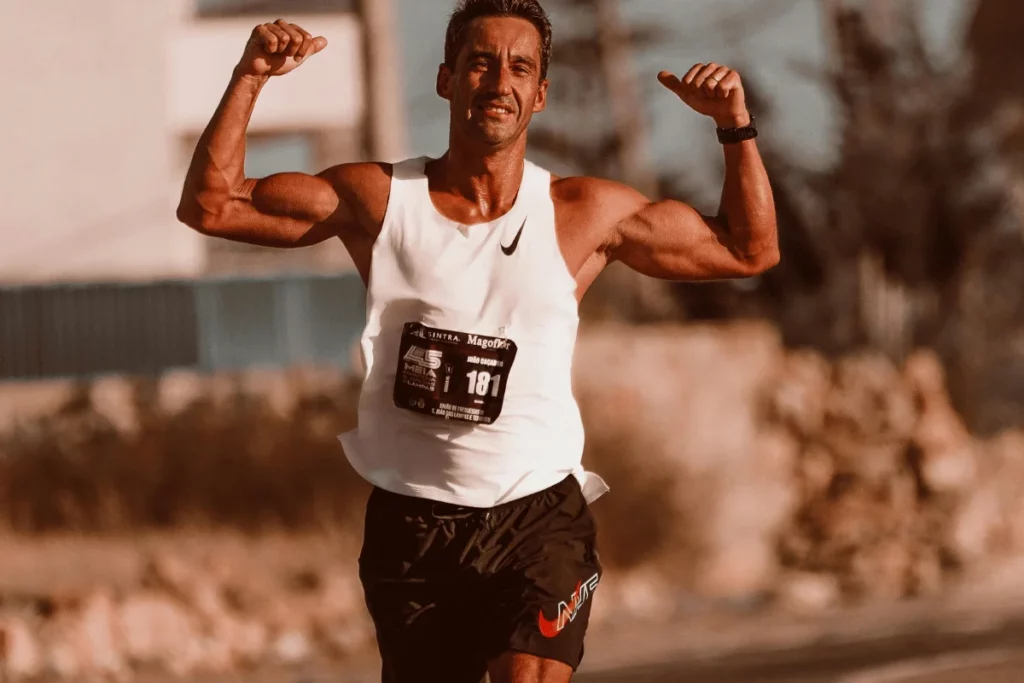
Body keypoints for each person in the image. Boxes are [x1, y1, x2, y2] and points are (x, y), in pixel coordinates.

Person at [176, 0, 778, 680]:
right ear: (446, 78)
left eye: (520, 67)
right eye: (481, 63)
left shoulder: (580, 215)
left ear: (540, 93)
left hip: (537, 515)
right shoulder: (378, 200)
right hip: (413, 520)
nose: (499, 81)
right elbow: (210, 205)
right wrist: (250, 74)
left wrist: (735, 127)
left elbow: (748, 249)